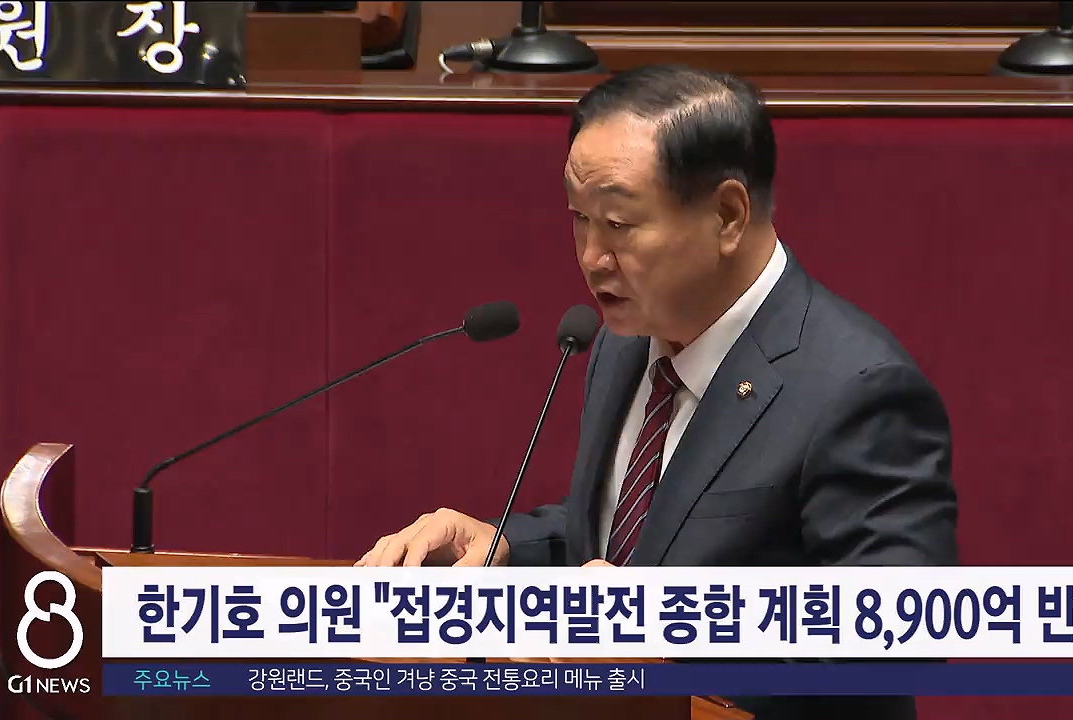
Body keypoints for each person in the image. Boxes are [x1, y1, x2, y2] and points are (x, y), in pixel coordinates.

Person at [358, 64, 959, 720]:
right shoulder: (626, 342)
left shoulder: (858, 389)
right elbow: (647, 532)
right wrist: (505, 548)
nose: (591, 256)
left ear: (727, 215)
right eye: (580, 218)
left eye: (618, 223)